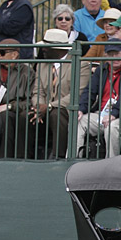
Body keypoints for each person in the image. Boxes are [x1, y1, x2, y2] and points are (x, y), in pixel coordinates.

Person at [30, 27, 90, 159]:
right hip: (45, 108)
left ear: (59, 49)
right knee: (25, 115)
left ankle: (58, 156)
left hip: (67, 110)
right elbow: (37, 91)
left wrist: (50, 106)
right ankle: (22, 156)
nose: (43, 50)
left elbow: (77, 94)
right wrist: (39, 106)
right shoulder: (42, 65)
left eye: (47, 47)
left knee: (56, 114)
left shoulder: (80, 64)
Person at [77, 38, 121, 158]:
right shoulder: (102, 69)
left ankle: (111, 162)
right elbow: (90, 91)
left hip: (120, 114)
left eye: (117, 53)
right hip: (100, 113)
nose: (114, 57)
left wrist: (114, 113)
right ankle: (73, 159)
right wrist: (81, 109)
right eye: (111, 54)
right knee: (79, 121)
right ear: (106, 55)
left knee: (111, 127)